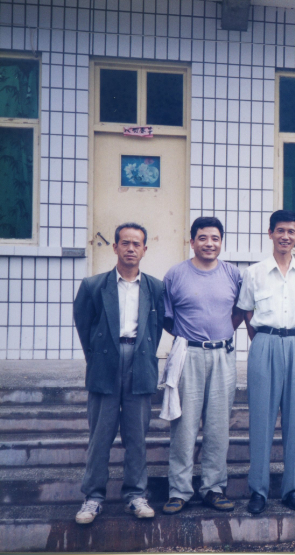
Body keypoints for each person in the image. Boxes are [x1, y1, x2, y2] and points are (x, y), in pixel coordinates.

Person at [73, 223, 165, 524]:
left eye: (136, 243)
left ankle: (136, 495)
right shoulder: (94, 285)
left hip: (140, 362)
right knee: (100, 434)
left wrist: (145, 355)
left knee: (137, 435)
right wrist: (97, 358)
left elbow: (156, 327)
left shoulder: (155, 287)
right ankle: (93, 497)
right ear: (114, 247)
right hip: (105, 362)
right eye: (124, 242)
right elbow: (84, 325)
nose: (130, 248)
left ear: (144, 249)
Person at [161, 216, 244, 514]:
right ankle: (179, 490)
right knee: (183, 425)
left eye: (215, 238)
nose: (210, 244)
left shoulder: (233, 274)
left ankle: (213, 487)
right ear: (192, 240)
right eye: (203, 238)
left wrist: (219, 337)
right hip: (188, 356)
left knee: (219, 425)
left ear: (221, 241)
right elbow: (167, 319)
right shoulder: (175, 275)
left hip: (223, 355)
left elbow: (237, 314)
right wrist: (192, 339)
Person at [237, 210, 295, 514]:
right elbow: (247, 312)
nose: (285, 236)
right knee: (261, 419)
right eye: (280, 230)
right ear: (270, 233)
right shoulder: (254, 272)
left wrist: (293, 338)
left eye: (291, 231)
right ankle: (258, 490)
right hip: (264, 343)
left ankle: (292, 489)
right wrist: (264, 341)